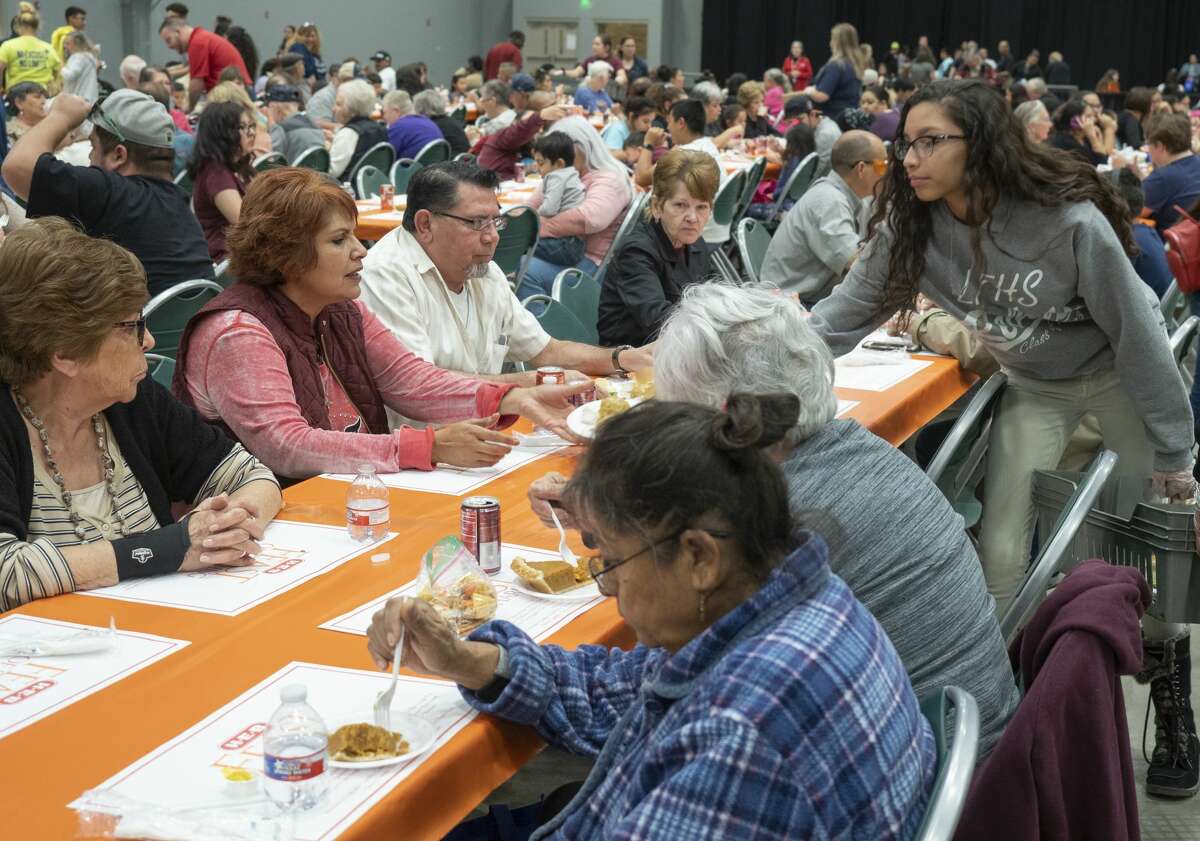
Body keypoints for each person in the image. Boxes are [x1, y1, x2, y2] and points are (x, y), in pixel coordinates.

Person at [806, 78, 1199, 795]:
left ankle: (1173, 703)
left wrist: (1176, 450)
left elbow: (1140, 336)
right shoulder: (914, 225)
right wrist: (754, 363)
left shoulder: (1067, 222)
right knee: (1001, 552)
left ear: (978, 146)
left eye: (931, 142)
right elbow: (840, 315)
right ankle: (992, 726)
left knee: (1143, 551)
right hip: (1036, 387)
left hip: (1117, 376)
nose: (911, 159)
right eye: (906, 144)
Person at [369, 393, 936, 840]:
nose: (608, 585)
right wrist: (471, 661)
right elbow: (625, 690)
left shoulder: (740, 736)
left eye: (613, 560)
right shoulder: (790, 601)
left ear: (698, 557)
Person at [626, 281, 1020, 758]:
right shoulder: (861, 450)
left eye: (677, 416)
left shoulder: (773, 523)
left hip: (917, 782)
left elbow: (671, 697)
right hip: (975, 745)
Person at [174, 167, 587, 480]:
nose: (361, 252)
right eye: (339, 241)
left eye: (355, 237)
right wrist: (428, 446)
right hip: (261, 523)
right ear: (285, 254)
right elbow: (288, 446)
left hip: (337, 499)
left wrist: (507, 399)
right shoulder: (238, 331)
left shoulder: (340, 310)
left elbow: (411, 380)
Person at [0, 217, 283, 613]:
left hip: (152, 635)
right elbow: (7, 572)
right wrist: (172, 547)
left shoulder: (131, 400)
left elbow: (252, 475)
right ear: (64, 352)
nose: (149, 340)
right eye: (132, 326)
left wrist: (226, 526)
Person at [358, 161, 649, 390]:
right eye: (477, 222)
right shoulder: (386, 275)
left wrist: (621, 359)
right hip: (419, 445)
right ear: (425, 224)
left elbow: (544, 350)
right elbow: (420, 384)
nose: (493, 237)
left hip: (483, 429)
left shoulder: (485, 272)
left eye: (495, 220)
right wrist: (529, 383)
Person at [1, 91, 214, 295]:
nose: (90, 156)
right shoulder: (177, 199)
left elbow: (16, 166)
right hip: (182, 329)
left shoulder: (111, 191)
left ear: (118, 155)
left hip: (134, 329)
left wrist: (61, 117)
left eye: (93, 146)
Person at [598, 149, 716, 347]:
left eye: (701, 207)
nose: (692, 217)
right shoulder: (636, 252)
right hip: (631, 362)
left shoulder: (693, 241)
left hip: (682, 350)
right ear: (657, 206)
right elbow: (660, 321)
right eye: (680, 205)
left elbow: (716, 293)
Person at [760, 131, 886, 304]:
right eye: (882, 166)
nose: (886, 173)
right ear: (861, 169)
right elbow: (860, 266)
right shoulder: (829, 201)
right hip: (790, 305)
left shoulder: (855, 198)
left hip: (812, 296)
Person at [515, 116, 635, 298]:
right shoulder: (564, 171)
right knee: (505, 256)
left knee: (524, 267)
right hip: (563, 253)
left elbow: (589, 219)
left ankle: (544, 325)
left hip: (592, 264)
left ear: (583, 146)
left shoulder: (610, 179)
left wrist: (532, 227)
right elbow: (529, 207)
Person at [188, 102, 255, 262]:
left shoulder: (240, 167)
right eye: (243, 127)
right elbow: (245, 224)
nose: (251, 133)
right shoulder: (216, 174)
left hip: (246, 251)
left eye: (251, 126)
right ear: (223, 133)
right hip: (229, 261)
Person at [1105, 168, 1174, 299]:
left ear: (1111, 205)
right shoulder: (1146, 231)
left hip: (1146, 313)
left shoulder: (1127, 242)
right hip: (1161, 309)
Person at [472, 90, 565, 181]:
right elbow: (522, 130)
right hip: (492, 187)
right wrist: (541, 116)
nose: (537, 129)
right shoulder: (504, 136)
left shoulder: (534, 141)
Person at [158, 16, 249, 108]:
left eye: (168, 40)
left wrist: (189, 108)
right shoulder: (201, 38)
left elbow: (196, 83)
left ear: (178, 32)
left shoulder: (197, 43)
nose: (169, 46)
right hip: (236, 95)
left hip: (235, 98)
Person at [530, 132, 587, 267]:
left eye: (541, 163)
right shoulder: (571, 174)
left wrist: (532, 216)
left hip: (563, 245)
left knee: (519, 244)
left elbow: (549, 209)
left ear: (559, 163)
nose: (537, 168)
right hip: (575, 245)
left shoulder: (557, 177)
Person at [1140, 112, 1200, 230]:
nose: (1148, 151)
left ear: (1160, 146)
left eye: (1148, 144)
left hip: (1169, 243)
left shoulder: (1163, 177)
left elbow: (1132, 212)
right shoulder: (1197, 161)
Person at [802, 22, 865, 120]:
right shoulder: (855, 65)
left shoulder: (836, 66)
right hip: (848, 119)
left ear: (838, 42)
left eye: (832, 39)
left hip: (832, 119)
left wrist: (809, 91)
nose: (830, 43)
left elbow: (822, 96)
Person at [329, 79, 385, 181]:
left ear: (350, 109)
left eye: (338, 104)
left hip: (347, 191)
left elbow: (332, 171)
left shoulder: (348, 133)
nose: (333, 109)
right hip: (373, 185)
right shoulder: (379, 129)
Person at [0, 8, 59, 91]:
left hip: (17, 96)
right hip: (41, 95)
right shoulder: (49, 48)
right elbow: (58, 73)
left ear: (17, 27)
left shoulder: (8, 45)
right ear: (38, 27)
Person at [264, 84, 324, 163]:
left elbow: (269, 160)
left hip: (292, 174)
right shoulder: (314, 126)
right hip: (316, 174)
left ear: (273, 107)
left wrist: (271, 123)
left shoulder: (281, 129)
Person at [382, 89, 442, 160]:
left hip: (414, 170)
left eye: (384, 112)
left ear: (396, 111)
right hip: (436, 168)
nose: (384, 117)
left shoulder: (398, 128)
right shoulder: (429, 122)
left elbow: (384, 159)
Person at [1047, 99, 1110, 166]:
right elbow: (1100, 164)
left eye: (1093, 116)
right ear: (1074, 121)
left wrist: (1097, 139)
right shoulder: (1064, 142)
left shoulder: (1085, 138)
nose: (1094, 120)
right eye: (1088, 116)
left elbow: (1104, 160)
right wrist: (1093, 138)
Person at [413, 88, 469, 157]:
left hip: (450, 163)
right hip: (464, 160)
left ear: (420, 108)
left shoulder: (431, 127)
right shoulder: (449, 120)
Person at [59, 30, 98, 103]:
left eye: (68, 43)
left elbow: (70, 76)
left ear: (76, 44)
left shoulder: (78, 57)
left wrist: (61, 67)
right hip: (89, 98)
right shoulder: (88, 57)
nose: (65, 46)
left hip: (79, 100)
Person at [4, 81, 46, 146]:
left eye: (45, 97)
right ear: (19, 103)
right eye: (37, 97)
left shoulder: (50, 124)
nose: (44, 101)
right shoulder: (10, 133)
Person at [289, 23, 325, 87]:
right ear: (299, 36)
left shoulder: (315, 53)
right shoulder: (298, 48)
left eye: (312, 36)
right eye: (307, 36)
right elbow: (304, 71)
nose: (310, 39)